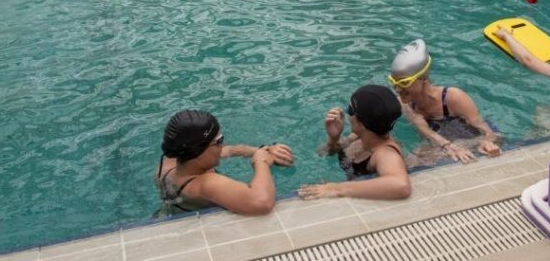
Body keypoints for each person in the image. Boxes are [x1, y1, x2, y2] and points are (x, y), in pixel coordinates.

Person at [155, 109, 294, 216]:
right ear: (199, 152)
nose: (223, 144)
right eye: (219, 141)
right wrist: (261, 162)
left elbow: (230, 150)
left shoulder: (170, 162)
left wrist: (263, 150)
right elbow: (262, 203)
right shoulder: (205, 184)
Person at [388, 39, 501, 165]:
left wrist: (486, 141)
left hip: (471, 136)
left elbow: (486, 130)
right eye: (393, 82)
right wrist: (448, 146)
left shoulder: (453, 97)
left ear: (424, 79)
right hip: (442, 140)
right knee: (412, 160)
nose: (397, 89)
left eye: (404, 83)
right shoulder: (405, 103)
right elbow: (424, 130)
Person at [299, 85, 411, 200]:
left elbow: (401, 186)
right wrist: (333, 139)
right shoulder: (359, 136)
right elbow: (321, 153)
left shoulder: (385, 153)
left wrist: (337, 189)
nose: (347, 115)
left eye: (349, 110)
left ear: (361, 123)